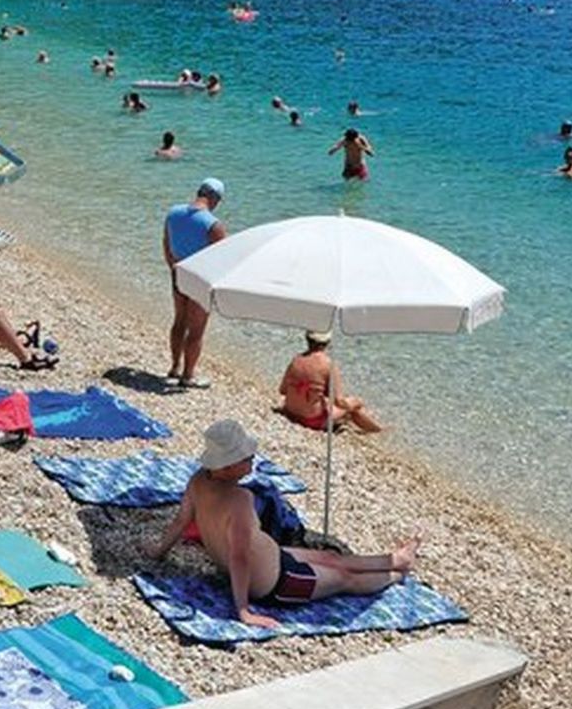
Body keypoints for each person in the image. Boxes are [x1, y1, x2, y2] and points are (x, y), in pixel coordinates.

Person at [149, 421, 418, 630]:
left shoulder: (198, 480)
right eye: (246, 457)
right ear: (228, 466)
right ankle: (396, 575)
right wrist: (243, 610)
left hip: (274, 558)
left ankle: (397, 559)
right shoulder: (240, 500)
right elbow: (239, 557)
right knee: (345, 578)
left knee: (332, 557)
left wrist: (158, 552)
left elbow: (181, 521)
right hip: (275, 583)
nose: (252, 458)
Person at [162, 178, 228, 390]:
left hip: (178, 272)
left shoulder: (173, 212)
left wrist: (173, 266)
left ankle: (174, 368)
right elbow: (222, 259)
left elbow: (166, 243)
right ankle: (188, 375)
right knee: (196, 329)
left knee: (179, 320)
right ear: (215, 198)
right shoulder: (213, 225)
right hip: (200, 278)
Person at [278, 331, 383, 433]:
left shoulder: (296, 359)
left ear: (307, 339)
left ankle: (373, 429)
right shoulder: (328, 365)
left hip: (290, 412)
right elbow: (339, 402)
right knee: (352, 407)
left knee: (338, 407)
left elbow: (282, 390)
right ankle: (378, 431)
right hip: (311, 420)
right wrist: (357, 402)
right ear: (327, 343)